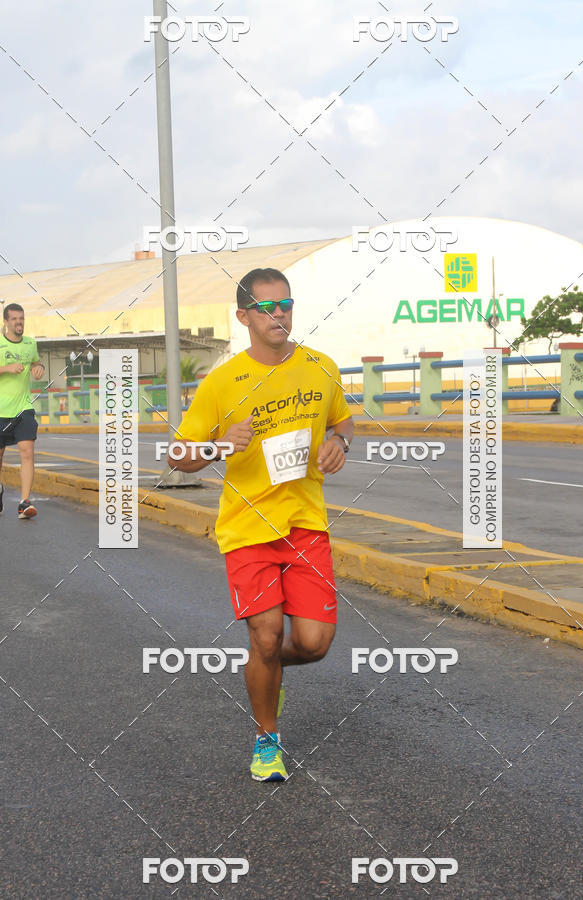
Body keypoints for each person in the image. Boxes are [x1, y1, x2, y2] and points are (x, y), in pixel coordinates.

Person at [169, 267, 354, 782]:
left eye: (286, 305)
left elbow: (343, 419)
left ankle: (265, 675)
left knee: (314, 644)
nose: (279, 314)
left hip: (305, 525)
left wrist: (342, 442)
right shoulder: (222, 382)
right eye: (267, 307)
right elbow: (178, 457)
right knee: (267, 636)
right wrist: (217, 444)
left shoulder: (321, 367)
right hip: (248, 529)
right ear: (244, 315)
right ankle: (266, 740)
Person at [0, 303, 45, 518]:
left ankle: (24, 503)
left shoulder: (30, 343)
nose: (19, 322)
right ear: (6, 322)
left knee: (27, 452)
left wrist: (39, 369)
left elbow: (37, 362)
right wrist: (6, 368)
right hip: (0, 411)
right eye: (15, 319)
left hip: (24, 408)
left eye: (22, 318)